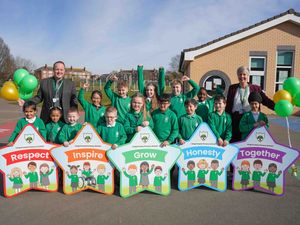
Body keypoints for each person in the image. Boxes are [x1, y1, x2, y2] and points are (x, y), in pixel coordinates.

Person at [226, 66, 274, 142]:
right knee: (235, 140)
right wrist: (226, 119)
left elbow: (265, 100)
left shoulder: (256, 88)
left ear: (248, 76)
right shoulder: (232, 88)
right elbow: (228, 105)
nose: (242, 76)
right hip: (235, 119)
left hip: (250, 118)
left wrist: (276, 107)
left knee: (250, 141)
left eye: (244, 74)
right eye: (240, 74)